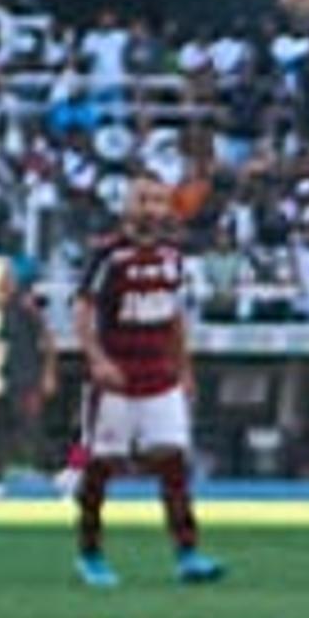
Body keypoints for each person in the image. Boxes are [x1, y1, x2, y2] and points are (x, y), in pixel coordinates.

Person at [68, 178, 224, 588]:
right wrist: (97, 359)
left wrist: (184, 369)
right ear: (126, 207)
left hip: (159, 376)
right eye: (142, 200)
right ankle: (90, 552)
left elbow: (174, 319)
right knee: (101, 466)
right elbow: (82, 310)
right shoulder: (109, 256)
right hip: (117, 379)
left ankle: (188, 551)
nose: (150, 209)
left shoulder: (173, 259)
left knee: (173, 463)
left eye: (157, 200)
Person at [0, 240, 52, 492]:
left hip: (24, 377)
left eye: (5, 278)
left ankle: (57, 473)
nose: (2, 284)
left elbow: (47, 341)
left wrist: (49, 374)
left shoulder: (26, 307)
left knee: (31, 430)